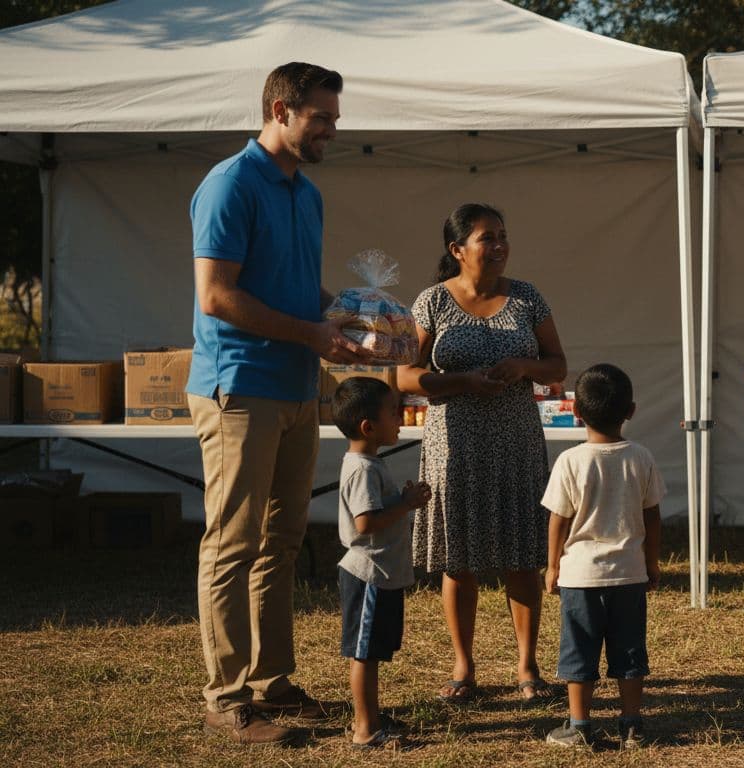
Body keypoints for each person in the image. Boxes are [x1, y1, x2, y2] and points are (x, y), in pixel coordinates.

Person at [187, 61, 372, 745]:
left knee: (283, 543)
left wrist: (352, 316)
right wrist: (313, 332)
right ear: (279, 109)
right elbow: (217, 295)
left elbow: (297, 289)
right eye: (321, 118)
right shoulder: (230, 184)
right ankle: (227, 697)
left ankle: (272, 682)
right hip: (239, 386)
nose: (331, 129)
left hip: (297, 386)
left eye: (334, 119)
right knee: (233, 544)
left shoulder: (307, 192)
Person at [398, 203, 567, 702]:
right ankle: (463, 667)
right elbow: (404, 374)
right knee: (459, 559)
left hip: (515, 440)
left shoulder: (528, 298)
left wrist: (522, 365)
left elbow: (558, 364)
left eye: (502, 236)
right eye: (486, 238)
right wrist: (462, 381)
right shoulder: (432, 301)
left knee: (521, 555)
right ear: (457, 250)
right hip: (455, 443)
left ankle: (527, 668)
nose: (498, 246)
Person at [542, 363, 665, 750]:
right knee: (629, 650)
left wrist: (553, 565)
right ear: (631, 410)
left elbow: (558, 520)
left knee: (579, 651)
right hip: (629, 574)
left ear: (576, 412)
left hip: (580, 577)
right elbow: (653, 516)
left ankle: (580, 726)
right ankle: (632, 725)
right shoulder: (640, 456)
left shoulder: (570, 461)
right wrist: (651, 562)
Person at [331, 377, 432, 750]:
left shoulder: (370, 462)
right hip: (367, 574)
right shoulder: (361, 469)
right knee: (364, 654)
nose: (400, 419)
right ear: (368, 427)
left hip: (381, 573)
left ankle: (371, 716)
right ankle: (365, 728)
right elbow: (365, 522)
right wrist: (405, 505)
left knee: (373, 652)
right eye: (393, 413)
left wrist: (404, 498)